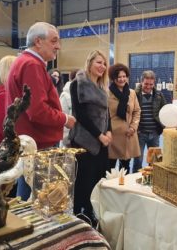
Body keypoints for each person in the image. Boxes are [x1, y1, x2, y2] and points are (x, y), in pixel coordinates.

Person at [6, 22, 76, 200]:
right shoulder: (32, 65)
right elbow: (37, 111)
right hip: (38, 142)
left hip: (30, 141)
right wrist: (64, 119)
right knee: (37, 198)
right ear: (38, 41)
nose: (58, 46)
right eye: (54, 41)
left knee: (29, 191)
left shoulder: (24, 62)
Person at [69, 50, 111, 226]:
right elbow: (81, 115)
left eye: (104, 64)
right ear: (90, 63)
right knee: (83, 181)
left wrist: (109, 132)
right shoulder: (77, 84)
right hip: (84, 141)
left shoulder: (102, 87)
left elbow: (107, 114)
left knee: (98, 179)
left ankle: (93, 211)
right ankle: (80, 213)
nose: (102, 66)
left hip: (102, 142)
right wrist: (99, 135)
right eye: (98, 62)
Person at [107, 63, 141, 172]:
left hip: (129, 134)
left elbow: (137, 111)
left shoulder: (132, 93)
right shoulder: (107, 93)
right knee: (110, 168)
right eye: (119, 77)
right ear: (113, 78)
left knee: (126, 168)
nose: (122, 79)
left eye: (124, 76)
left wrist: (133, 127)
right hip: (112, 136)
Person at [132, 70, 166, 173]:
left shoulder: (159, 95)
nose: (148, 86)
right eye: (146, 84)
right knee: (138, 159)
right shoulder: (134, 94)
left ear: (154, 83)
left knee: (154, 160)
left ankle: (154, 180)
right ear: (141, 82)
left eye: (151, 84)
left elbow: (165, 111)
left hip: (155, 133)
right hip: (139, 133)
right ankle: (135, 180)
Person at [60, 69, 78, 147]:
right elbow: (63, 115)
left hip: (78, 137)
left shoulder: (81, 93)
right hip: (68, 139)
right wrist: (66, 138)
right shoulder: (65, 95)